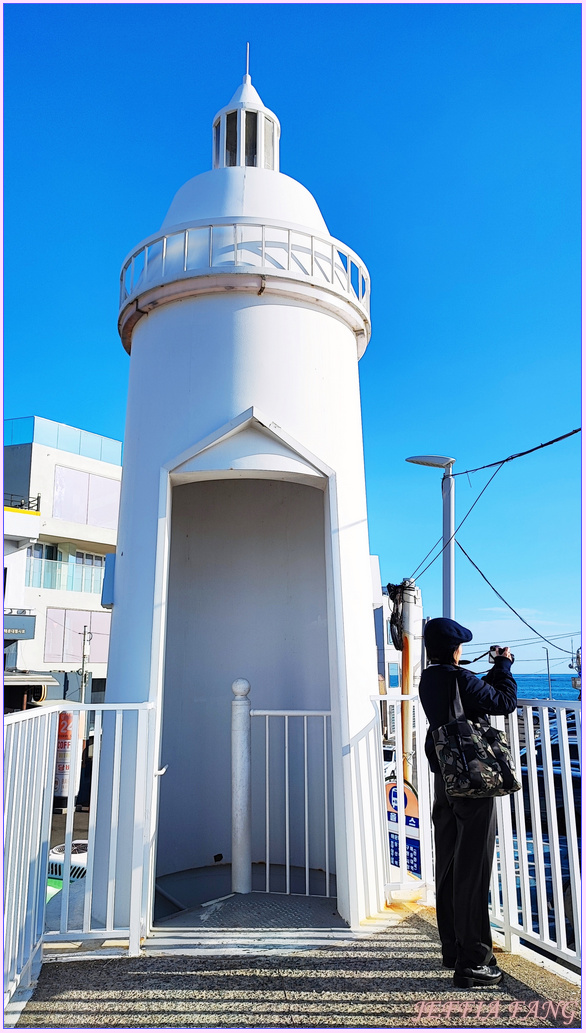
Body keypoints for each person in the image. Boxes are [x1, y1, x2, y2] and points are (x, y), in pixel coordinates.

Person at [419, 617, 517, 989]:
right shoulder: (460, 678)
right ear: (457, 650)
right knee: (473, 870)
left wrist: (493, 669)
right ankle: (475, 960)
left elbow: (474, 692)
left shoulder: (431, 678)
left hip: (445, 777)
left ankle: (452, 948)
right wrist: (504, 665)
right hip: (472, 782)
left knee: (449, 861)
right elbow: (504, 702)